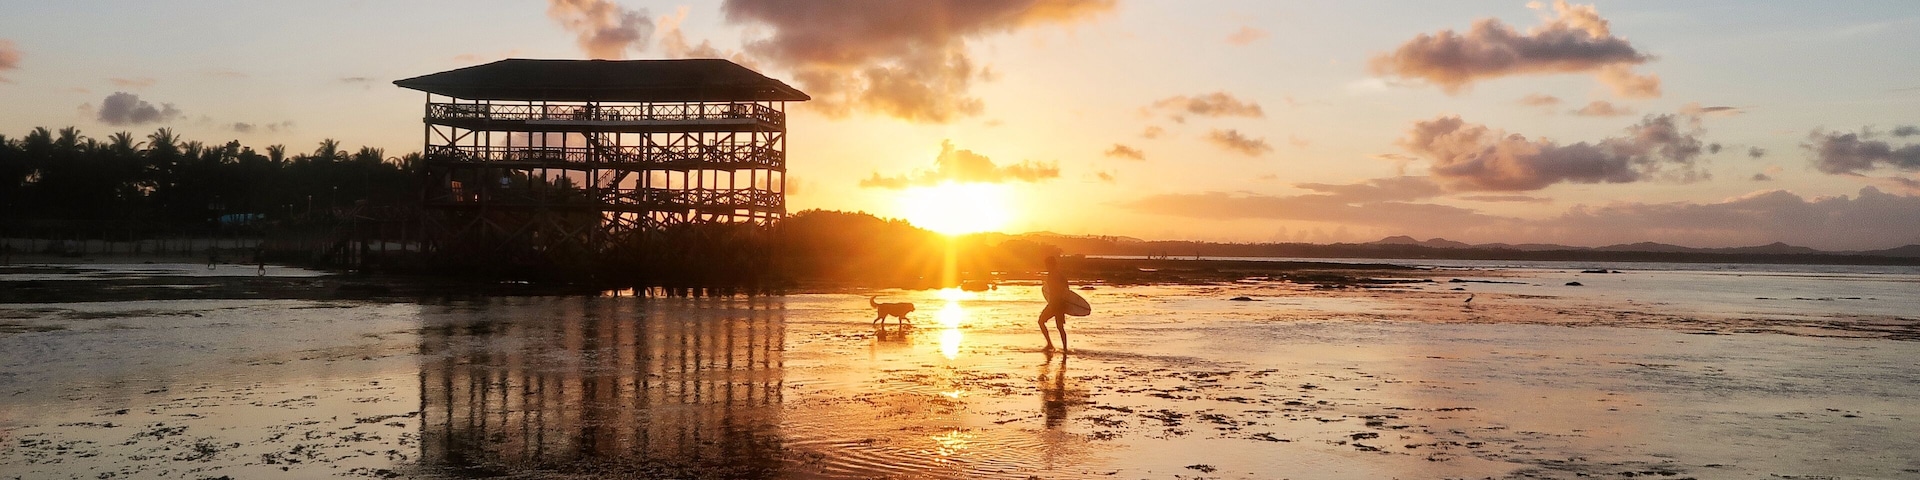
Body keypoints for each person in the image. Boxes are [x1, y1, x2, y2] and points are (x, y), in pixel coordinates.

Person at [1037, 256, 1070, 352]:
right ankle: (1063, 348)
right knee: (1060, 327)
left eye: (1047, 265)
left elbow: (1061, 290)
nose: (1046, 267)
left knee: (1041, 321)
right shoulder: (1061, 275)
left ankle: (1050, 345)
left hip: (1055, 304)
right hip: (1059, 304)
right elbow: (1067, 290)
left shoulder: (1054, 275)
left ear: (1051, 264)